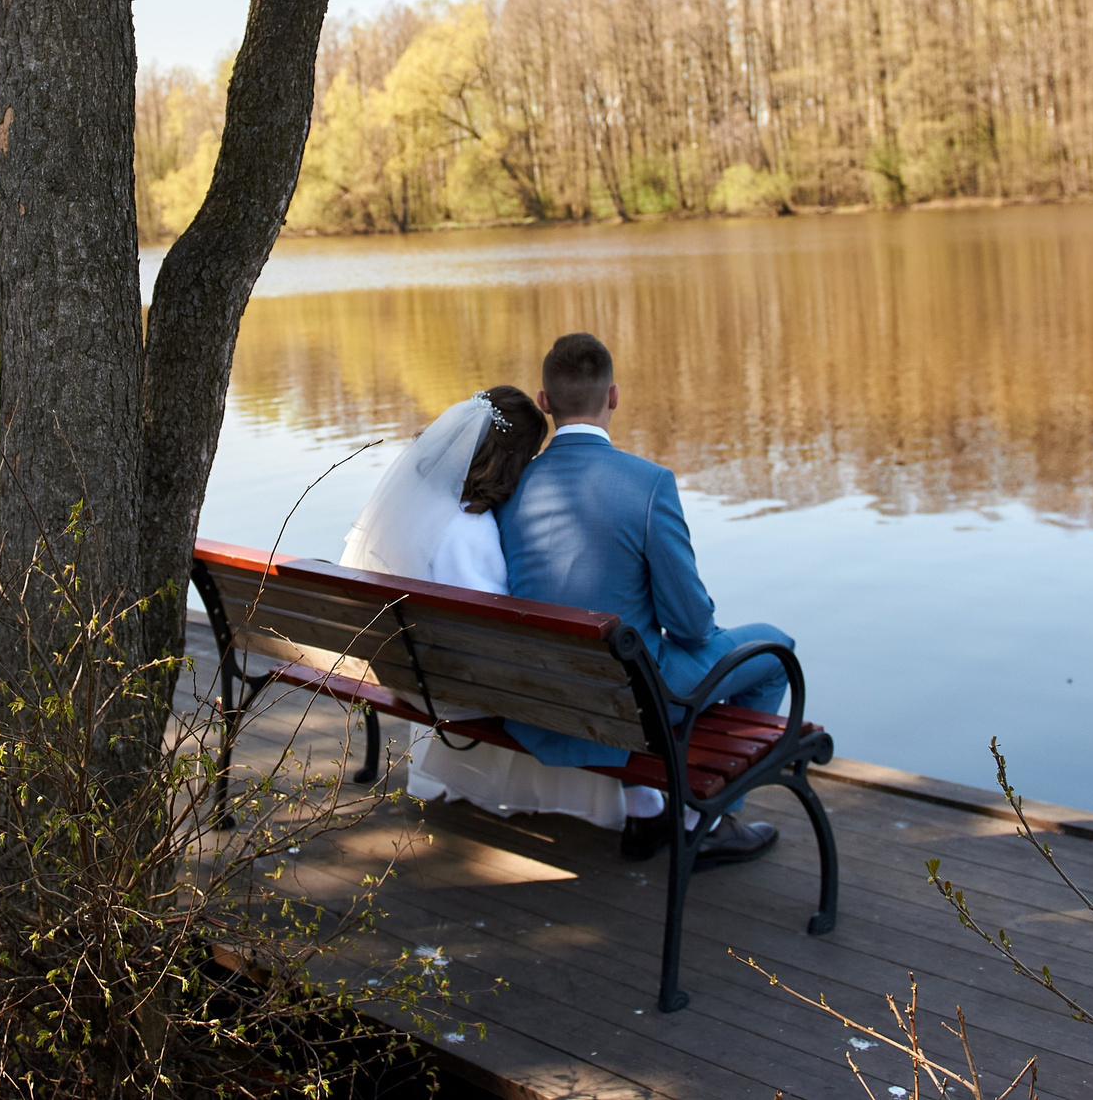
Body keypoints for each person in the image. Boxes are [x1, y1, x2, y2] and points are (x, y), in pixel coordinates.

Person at [496, 332, 791, 866]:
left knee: (629, 659)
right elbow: (692, 626)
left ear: (545, 402)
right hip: (630, 703)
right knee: (773, 651)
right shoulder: (649, 483)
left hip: (543, 700)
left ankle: (645, 809)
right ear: (613, 396)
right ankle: (708, 818)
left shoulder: (511, 485)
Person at [338, 386, 634, 828]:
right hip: (456, 693)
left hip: (400, 673)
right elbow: (500, 642)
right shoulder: (470, 532)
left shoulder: (418, 509)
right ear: (514, 459)